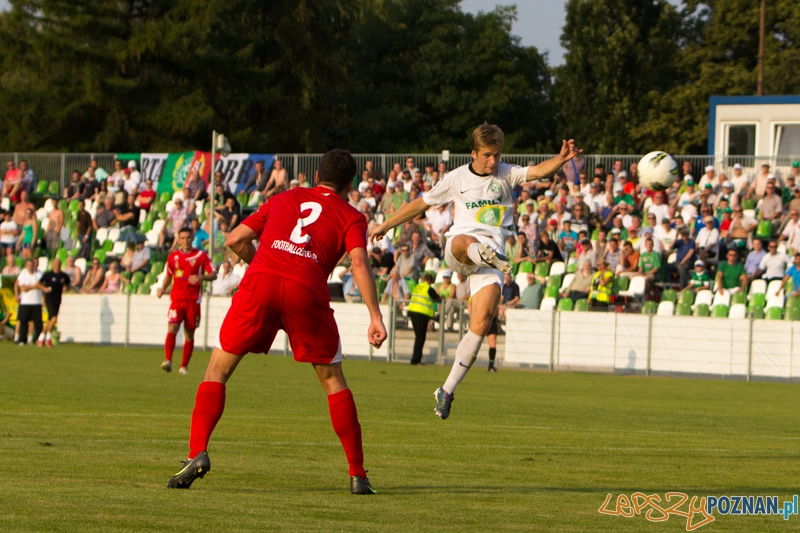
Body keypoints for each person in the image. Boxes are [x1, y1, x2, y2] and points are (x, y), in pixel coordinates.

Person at [166, 149, 386, 495]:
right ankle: (357, 474)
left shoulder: (286, 196)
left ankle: (197, 452)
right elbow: (359, 263)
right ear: (350, 184)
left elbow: (235, 239)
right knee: (333, 381)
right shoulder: (352, 216)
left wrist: (260, 268)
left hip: (261, 283)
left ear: (316, 177)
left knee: (216, 371)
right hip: (307, 290)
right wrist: (375, 315)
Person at [369, 122, 581, 419]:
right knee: (466, 240)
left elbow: (537, 172)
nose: (493, 161)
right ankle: (479, 251)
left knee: (481, 322)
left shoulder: (506, 173)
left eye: (496, 155)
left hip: (492, 256)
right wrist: (384, 225)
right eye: (487, 155)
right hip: (460, 249)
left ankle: (446, 390)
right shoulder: (456, 178)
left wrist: (560, 160)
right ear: (473, 153)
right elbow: (420, 203)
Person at [156, 228, 217, 374]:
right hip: (177, 300)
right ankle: (168, 361)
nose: (186, 241)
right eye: (182, 238)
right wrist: (162, 288)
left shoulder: (201, 256)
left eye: (188, 238)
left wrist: (201, 277)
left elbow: (213, 274)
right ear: (178, 239)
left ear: (193, 238)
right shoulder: (172, 257)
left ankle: (183, 366)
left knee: (189, 334)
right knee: (172, 328)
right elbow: (168, 275)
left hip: (193, 301)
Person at [407, 272, 441, 365]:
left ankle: (416, 358)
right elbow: (437, 298)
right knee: (420, 337)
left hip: (412, 312)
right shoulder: (429, 288)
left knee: (418, 336)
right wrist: (442, 298)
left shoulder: (417, 287)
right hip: (422, 313)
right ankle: (415, 359)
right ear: (431, 281)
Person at [14, 258, 50, 345]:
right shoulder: (23, 274)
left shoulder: (40, 274)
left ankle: (39, 340)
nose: (30, 267)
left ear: (35, 265)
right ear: (26, 266)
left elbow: (42, 287)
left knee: (38, 323)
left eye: (32, 265)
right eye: (28, 265)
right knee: (23, 321)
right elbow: (22, 288)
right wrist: (35, 286)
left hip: (36, 302)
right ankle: (22, 340)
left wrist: (31, 287)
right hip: (25, 302)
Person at [38, 258, 71, 347]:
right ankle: (47, 338)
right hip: (49, 299)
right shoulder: (48, 274)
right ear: (53, 264)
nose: (57, 265)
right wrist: (44, 289)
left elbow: (68, 285)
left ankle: (42, 338)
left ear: (60, 265)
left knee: (50, 320)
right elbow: (38, 283)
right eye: (55, 263)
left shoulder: (64, 276)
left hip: (58, 299)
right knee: (54, 318)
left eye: (58, 263)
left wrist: (66, 288)